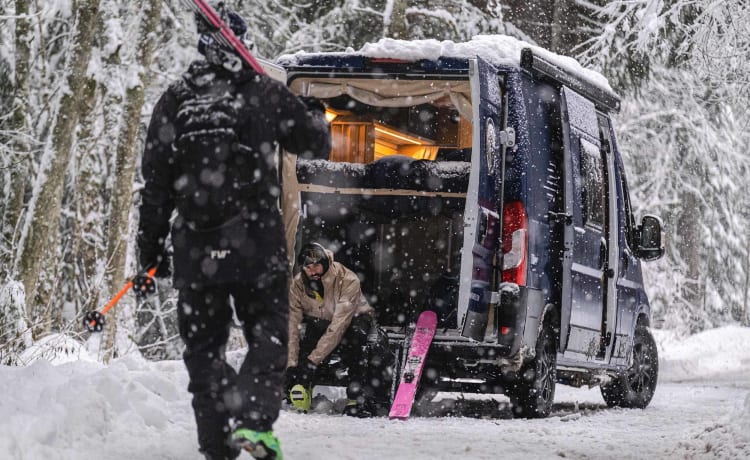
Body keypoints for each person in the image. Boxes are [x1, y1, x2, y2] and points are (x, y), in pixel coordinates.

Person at [135, 7, 331, 460]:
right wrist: (314, 115)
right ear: (240, 45)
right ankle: (253, 419)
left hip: (195, 248)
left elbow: (156, 189)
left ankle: (216, 444)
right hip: (256, 247)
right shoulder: (263, 94)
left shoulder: (175, 102)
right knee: (270, 335)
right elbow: (315, 141)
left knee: (204, 350)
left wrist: (150, 252)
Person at [286, 242, 394, 417]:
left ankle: (355, 398)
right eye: (307, 267)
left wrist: (313, 360)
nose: (312, 271)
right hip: (320, 319)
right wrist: (292, 362)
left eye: (317, 266)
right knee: (306, 342)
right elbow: (292, 323)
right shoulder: (298, 284)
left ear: (326, 264)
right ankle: (301, 389)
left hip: (355, 319)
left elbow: (339, 326)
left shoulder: (348, 279)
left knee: (355, 344)